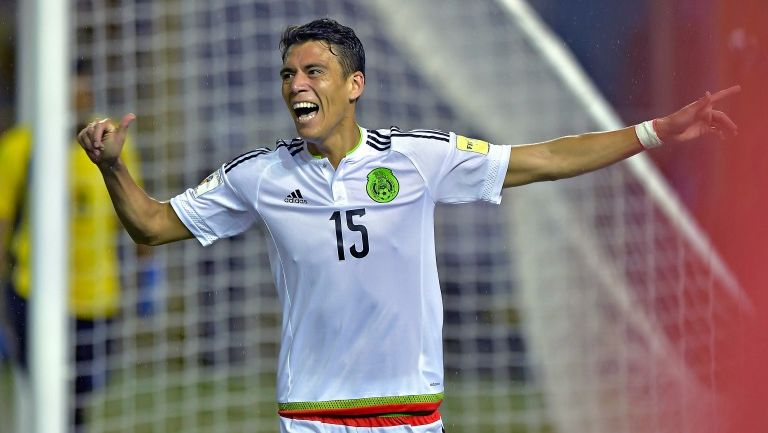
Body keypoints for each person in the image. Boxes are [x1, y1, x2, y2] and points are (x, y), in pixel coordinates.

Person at [76, 18, 740, 433]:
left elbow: (545, 158)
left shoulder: (418, 160)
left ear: (354, 84)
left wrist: (656, 131)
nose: (295, 84)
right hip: (309, 414)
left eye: (313, 71)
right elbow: (153, 225)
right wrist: (113, 170)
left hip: (407, 411)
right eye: (288, 74)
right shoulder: (259, 175)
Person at [0, 63, 156, 433]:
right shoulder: (21, 146)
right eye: (72, 95)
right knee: (49, 394)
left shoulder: (114, 148)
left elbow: (136, 213)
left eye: (85, 95)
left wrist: (149, 273)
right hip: (32, 291)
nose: (79, 102)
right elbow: (4, 219)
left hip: (96, 295)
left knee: (79, 395)